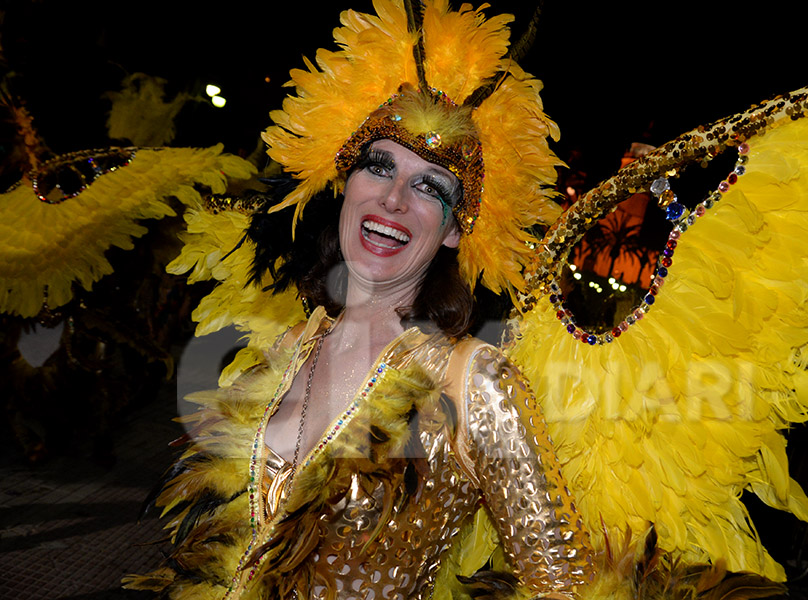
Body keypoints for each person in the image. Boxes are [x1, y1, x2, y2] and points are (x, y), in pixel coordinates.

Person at [125, 3, 596, 599]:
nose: (394, 198)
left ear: (455, 229)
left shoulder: (474, 381)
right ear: (346, 184)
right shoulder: (290, 346)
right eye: (380, 167)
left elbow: (566, 584)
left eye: (431, 186)